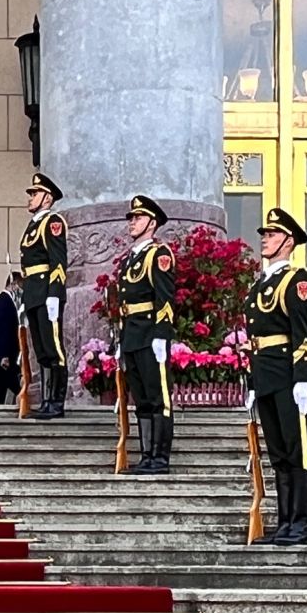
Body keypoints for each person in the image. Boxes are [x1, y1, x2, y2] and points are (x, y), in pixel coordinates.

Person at [245, 207, 307, 545]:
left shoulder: (296, 279)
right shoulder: (261, 283)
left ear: (288, 241)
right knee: (278, 453)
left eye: (272, 235)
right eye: (264, 234)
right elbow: (254, 338)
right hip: (265, 375)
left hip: (288, 375)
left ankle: (299, 522)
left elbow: (302, 331)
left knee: (297, 450)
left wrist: (303, 377)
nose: (265, 239)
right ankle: (284, 522)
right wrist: (252, 381)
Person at [117, 194, 176, 474]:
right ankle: (146, 455)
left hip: (150, 334)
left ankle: (159, 457)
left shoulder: (158, 255)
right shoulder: (131, 258)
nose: (132, 222)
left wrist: (161, 335)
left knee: (157, 397)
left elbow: (165, 298)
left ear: (151, 223)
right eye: (131, 217)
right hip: (132, 335)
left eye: (138, 217)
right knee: (141, 399)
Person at [19, 173, 69, 418]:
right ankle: (47, 400)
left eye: (35, 193)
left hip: (46, 292)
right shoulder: (33, 225)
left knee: (53, 348)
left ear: (47, 198)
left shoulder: (52, 222)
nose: (30, 197)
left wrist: (54, 294)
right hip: (33, 292)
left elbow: (58, 261)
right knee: (41, 350)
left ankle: (56, 402)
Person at [0, 272, 25, 405]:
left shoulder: (4, 301)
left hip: (2, 358)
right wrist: (4, 355)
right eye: (21, 286)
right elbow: (2, 331)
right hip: (2, 359)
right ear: (14, 285)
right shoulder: (4, 302)